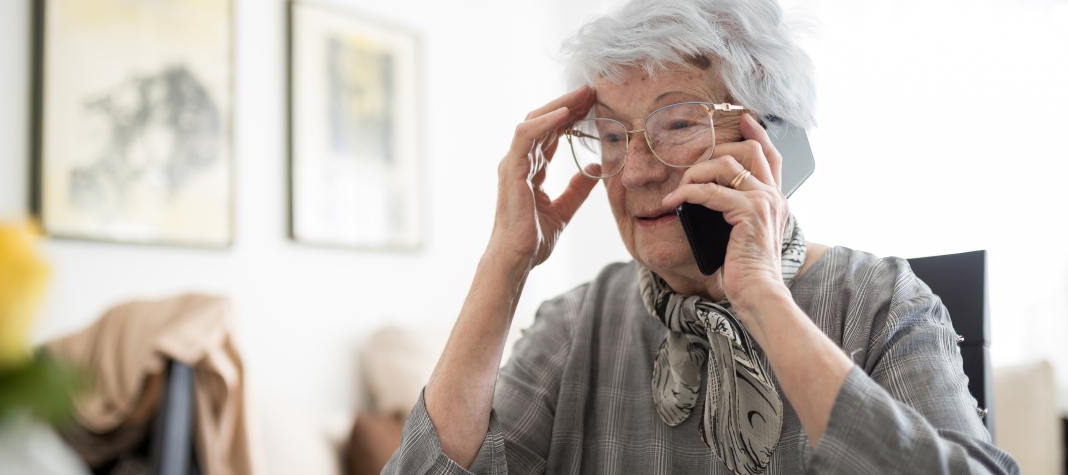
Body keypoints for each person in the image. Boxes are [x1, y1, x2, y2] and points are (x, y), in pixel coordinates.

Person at [384, 0, 1019, 473]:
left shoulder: (879, 302)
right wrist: (505, 262)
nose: (633, 171)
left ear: (774, 141)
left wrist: (764, 299)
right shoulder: (578, 322)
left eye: (678, 123)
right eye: (610, 136)